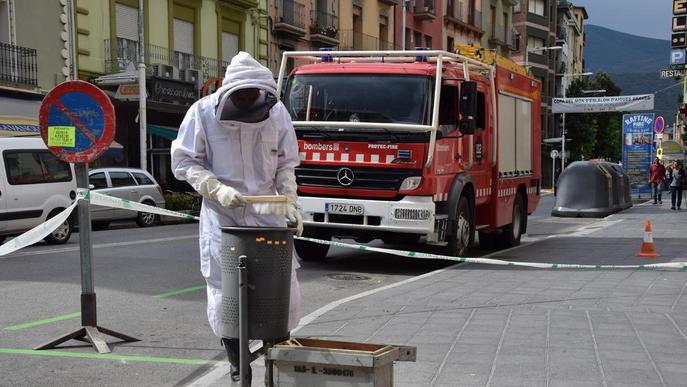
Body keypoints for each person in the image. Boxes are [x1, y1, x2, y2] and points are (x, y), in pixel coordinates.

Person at [170, 52, 302, 383]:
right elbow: (184, 162)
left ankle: (275, 367)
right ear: (229, 93)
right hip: (223, 218)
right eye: (239, 96)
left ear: (262, 93)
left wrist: (290, 202)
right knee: (228, 296)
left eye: (250, 96)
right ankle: (238, 369)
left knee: (279, 293)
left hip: (268, 214)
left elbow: (287, 163)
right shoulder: (202, 113)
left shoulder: (277, 113)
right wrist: (214, 187)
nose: (245, 101)